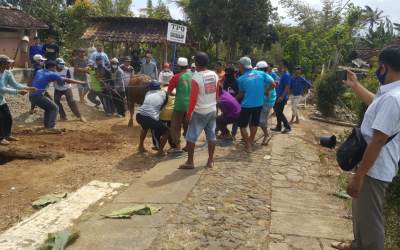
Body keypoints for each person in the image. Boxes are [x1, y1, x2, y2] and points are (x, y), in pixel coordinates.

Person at [331, 45, 400, 250]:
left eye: (379, 67)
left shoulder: (393, 99)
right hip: (372, 166)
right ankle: (357, 245)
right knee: (361, 214)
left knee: (370, 222)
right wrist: (355, 85)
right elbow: (375, 103)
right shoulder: (391, 95)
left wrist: (359, 176)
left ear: (384, 67)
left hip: (373, 169)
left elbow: (378, 140)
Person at [179, 52, 218, 169]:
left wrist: (189, 113)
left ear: (196, 63)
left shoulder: (196, 77)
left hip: (200, 111)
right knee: (211, 136)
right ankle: (210, 161)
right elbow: (217, 92)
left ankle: (190, 162)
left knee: (191, 137)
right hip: (212, 109)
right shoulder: (214, 74)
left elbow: (193, 98)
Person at [29, 60, 84, 130]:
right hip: (38, 96)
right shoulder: (53, 74)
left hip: (31, 95)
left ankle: (47, 126)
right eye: (55, 67)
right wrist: (80, 82)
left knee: (48, 108)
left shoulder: (39, 71)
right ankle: (51, 127)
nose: (56, 69)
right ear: (53, 67)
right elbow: (65, 81)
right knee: (55, 108)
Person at [236, 57, 275, 153]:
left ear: (242, 66)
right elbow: (273, 84)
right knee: (254, 124)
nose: (238, 67)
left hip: (246, 105)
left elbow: (241, 94)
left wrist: (231, 99)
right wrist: (266, 91)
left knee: (242, 126)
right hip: (259, 104)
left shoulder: (241, 79)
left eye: (239, 65)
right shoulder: (261, 74)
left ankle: (248, 145)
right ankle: (251, 140)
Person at [0, 55, 36, 145]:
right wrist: (18, 92)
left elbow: (15, 85)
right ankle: (0, 138)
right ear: (1, 64)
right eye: (8, 63)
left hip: (1, 100)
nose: (10, 64)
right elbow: (2, 89)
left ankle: (7, 135)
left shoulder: (7, 73)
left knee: (8, 118)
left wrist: (28, 88)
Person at [136, 80, 169, 157]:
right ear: (159, 87)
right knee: (167, 131)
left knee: (145, 128)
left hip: (139, 115)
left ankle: (140, 146)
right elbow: (162, 106)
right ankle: (160, 151)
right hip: (150, 118)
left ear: (150, 88)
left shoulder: (147, 93)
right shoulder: (164, 94)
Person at [167, 57, 192, 153]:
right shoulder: (192, 76)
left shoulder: (176, 77)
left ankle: (177, 146)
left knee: (175, 126)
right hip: (190, 106)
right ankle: (188, 145)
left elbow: (169, 92)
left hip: (179, 105)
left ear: (178, 66)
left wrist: (175, 94)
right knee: (188, 126)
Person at [54, 58, 86, 122]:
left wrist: (64, 81)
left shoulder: (66, 69)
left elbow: (69, 79)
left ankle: (79, 116)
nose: (62, 65)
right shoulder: (53, 70)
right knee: (56, 101)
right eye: (60, 64)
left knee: (71, 101)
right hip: (57, 88)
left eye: (63, 64)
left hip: (66, 88)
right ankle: (63, 116)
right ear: (56, 64)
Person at [256, 61, 277, 145]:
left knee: (261, 120)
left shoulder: (266, 76)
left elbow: (273, 84)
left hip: (268, 101)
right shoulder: (260, 76)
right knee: (260, 119)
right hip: (263, 100)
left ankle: (266, 135)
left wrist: (267, 91)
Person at [271, 60, 291, 133]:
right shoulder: (283, 74)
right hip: (279, 96)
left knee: (278, 112)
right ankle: (278, 127)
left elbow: (287, 86)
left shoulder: (286, 75)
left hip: (281, 97)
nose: (278, 67)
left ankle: (287, 127)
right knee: (278, 112)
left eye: (280, 65)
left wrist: (282, 97)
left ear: (284, 66)